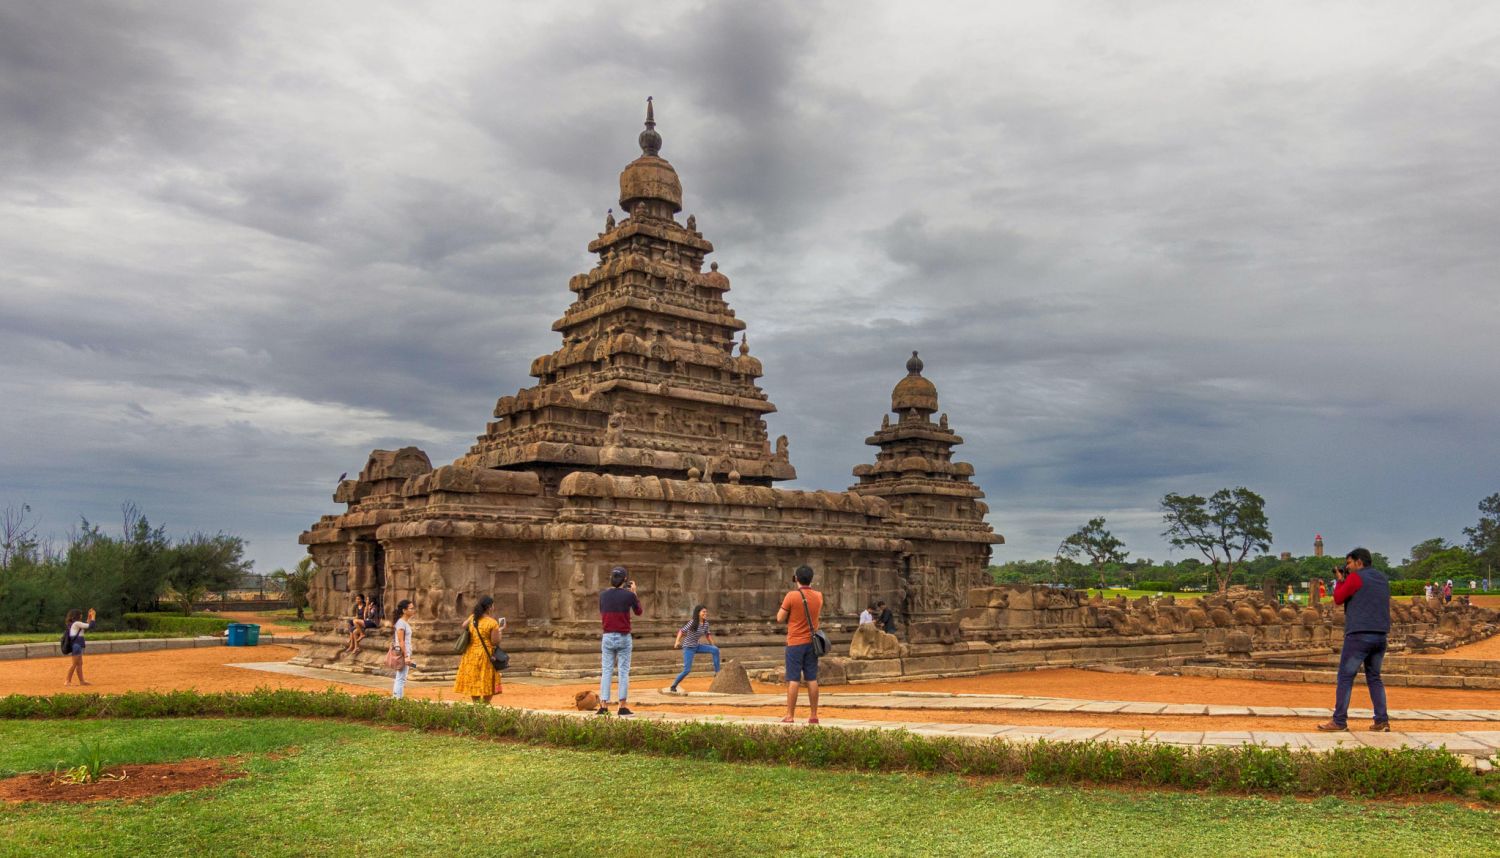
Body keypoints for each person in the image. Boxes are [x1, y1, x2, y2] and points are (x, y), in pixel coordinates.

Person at [1317, 548, 1391, 732]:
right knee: (1374, 677)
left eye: (1349, 563)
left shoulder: (1356, 577)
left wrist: (1340, 581)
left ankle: (1339, 721)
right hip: (1380, 634)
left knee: (1345, 676)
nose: (1347, 567)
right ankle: (1382, 720)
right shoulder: (1382, 578)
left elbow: (1338, 598)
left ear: (1359, 562)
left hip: (1359, 634)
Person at [775, 564, 823, 724]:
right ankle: (814, 715)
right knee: (812, 678)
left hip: (795, 641)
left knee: (793, 679)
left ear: (796, 578)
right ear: (811, 579)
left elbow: (779, 618)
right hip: (812, 642)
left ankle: (790, 715)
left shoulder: (791, 596)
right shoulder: (819, 596)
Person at [598, 565, 642, 716]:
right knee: (623, 672)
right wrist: (634, 593)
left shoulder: (603, 595)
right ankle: (622, 706)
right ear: (625, 580)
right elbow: (639, 612)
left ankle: (603, 705)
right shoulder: (628, 595)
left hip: (608, 636)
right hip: (623, 637)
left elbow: (602, 612)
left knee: (606, 671)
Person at [452, 595, 503, 704]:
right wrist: (500, 631)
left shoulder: (472, 618)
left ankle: (476, 704)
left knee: (473, 678)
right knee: (486, 678)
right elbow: (495, 642)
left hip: (471, 653)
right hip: (485, 654)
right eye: (493, 605)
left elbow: (463, 626)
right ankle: (484, 705)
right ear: (489, 607)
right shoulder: (492, 622)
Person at [668, 604, 720, 693]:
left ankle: (717, 673)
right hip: (688, 647)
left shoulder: (706, 623)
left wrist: (713, 645)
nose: (705, 613)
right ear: (698, 613)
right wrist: (677, 641)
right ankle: (673, 685)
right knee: (687, 670)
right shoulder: (692, 622)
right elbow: (681, 631)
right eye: (703, 612)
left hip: (697, 646)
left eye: (706, 612)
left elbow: (708, 635)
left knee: (715, 650)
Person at [390, 599, 416, 699]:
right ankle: (397, 701)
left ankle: (397, 699)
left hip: (404, 652)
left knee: (401, 678)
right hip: (402, 653)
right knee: (401, 679)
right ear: (404, 611)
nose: (413, 610)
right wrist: (406, 656)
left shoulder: (403, 622)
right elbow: (401, 641)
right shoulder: (401, 623)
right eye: (411, 608)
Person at [64, 608, 96, 686]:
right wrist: (93, 616)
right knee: (74, 664)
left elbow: (86, 624)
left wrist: (89, 617)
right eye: (80, 614)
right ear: (77, 615)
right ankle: (67, 681)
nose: (81, 615)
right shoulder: (77, 623)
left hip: (77, 645)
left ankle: (82, 681)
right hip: (77, 646)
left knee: (79, 664)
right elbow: (91, 626)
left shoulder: (75, 624)